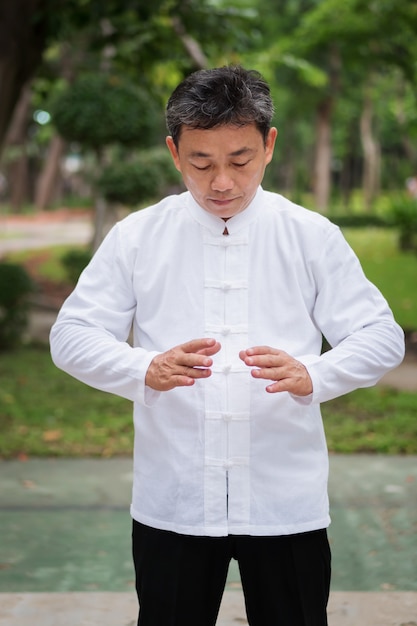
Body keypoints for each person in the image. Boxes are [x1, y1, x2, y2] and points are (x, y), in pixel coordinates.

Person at [50, 66, 405, 626]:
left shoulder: (310, 235)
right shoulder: (138, 236)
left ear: (269, 145)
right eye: (201, 163)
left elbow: (380, 336)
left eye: (240, 161)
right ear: (174, 152)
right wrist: (144, 366)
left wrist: (316, 374)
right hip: (175, 500)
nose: (221, 182)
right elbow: (70, 335)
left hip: (284, 500)